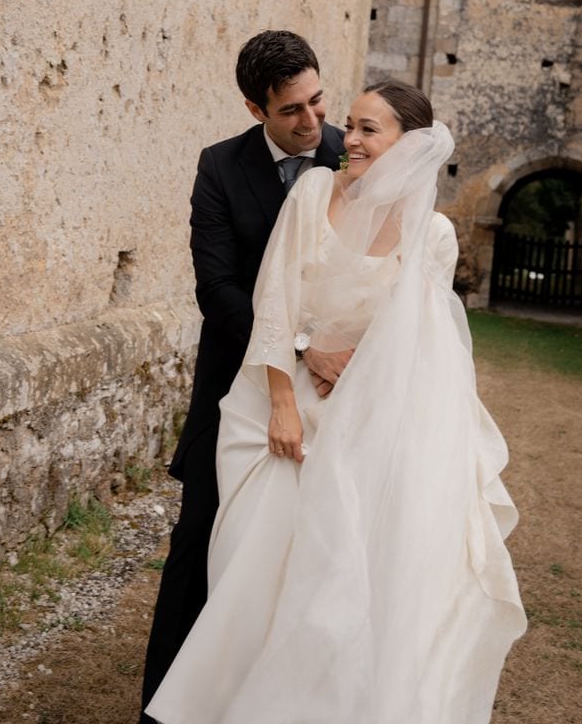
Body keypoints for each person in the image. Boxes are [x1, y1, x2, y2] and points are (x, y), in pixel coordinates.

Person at [146, 79, 527, 724]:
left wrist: (363, 390)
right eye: (347, 123)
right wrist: (285, 402)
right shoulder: (314, 192)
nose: (345, 138)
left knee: (339, 582)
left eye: (367, 129)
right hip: (281, 400)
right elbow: (273, 299)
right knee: (252, 568)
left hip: (366, 415)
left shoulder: (432, 233)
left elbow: (421, 347)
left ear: (410, 146)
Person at [140, 31, 346, 722]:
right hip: (236, 385)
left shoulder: (356, 154)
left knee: (316, 551)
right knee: (198, 537)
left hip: (337, 393)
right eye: (292, 111)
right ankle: (163, 705)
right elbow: (217, 287)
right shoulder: (220, 168)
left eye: (318, 100)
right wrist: (297, 346)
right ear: (256, 109)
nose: (313, 122)